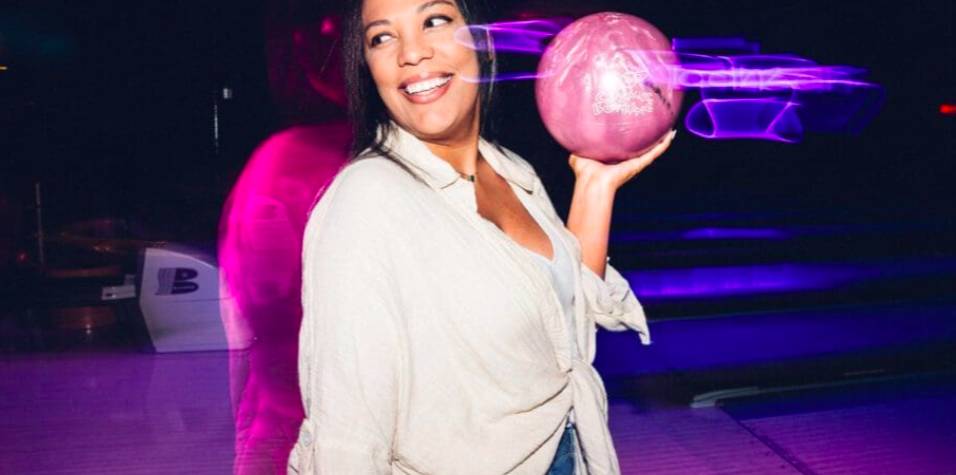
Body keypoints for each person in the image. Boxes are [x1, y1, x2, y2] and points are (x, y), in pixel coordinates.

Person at [288, 0, 675, 473]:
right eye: (382, 37)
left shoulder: (512, 172)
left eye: (435, 20)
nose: (412, 53)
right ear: (369, 69)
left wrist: (596, 185)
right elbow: (347, 438)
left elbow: (564, 329)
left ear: (482, 41)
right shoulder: (367, 202)